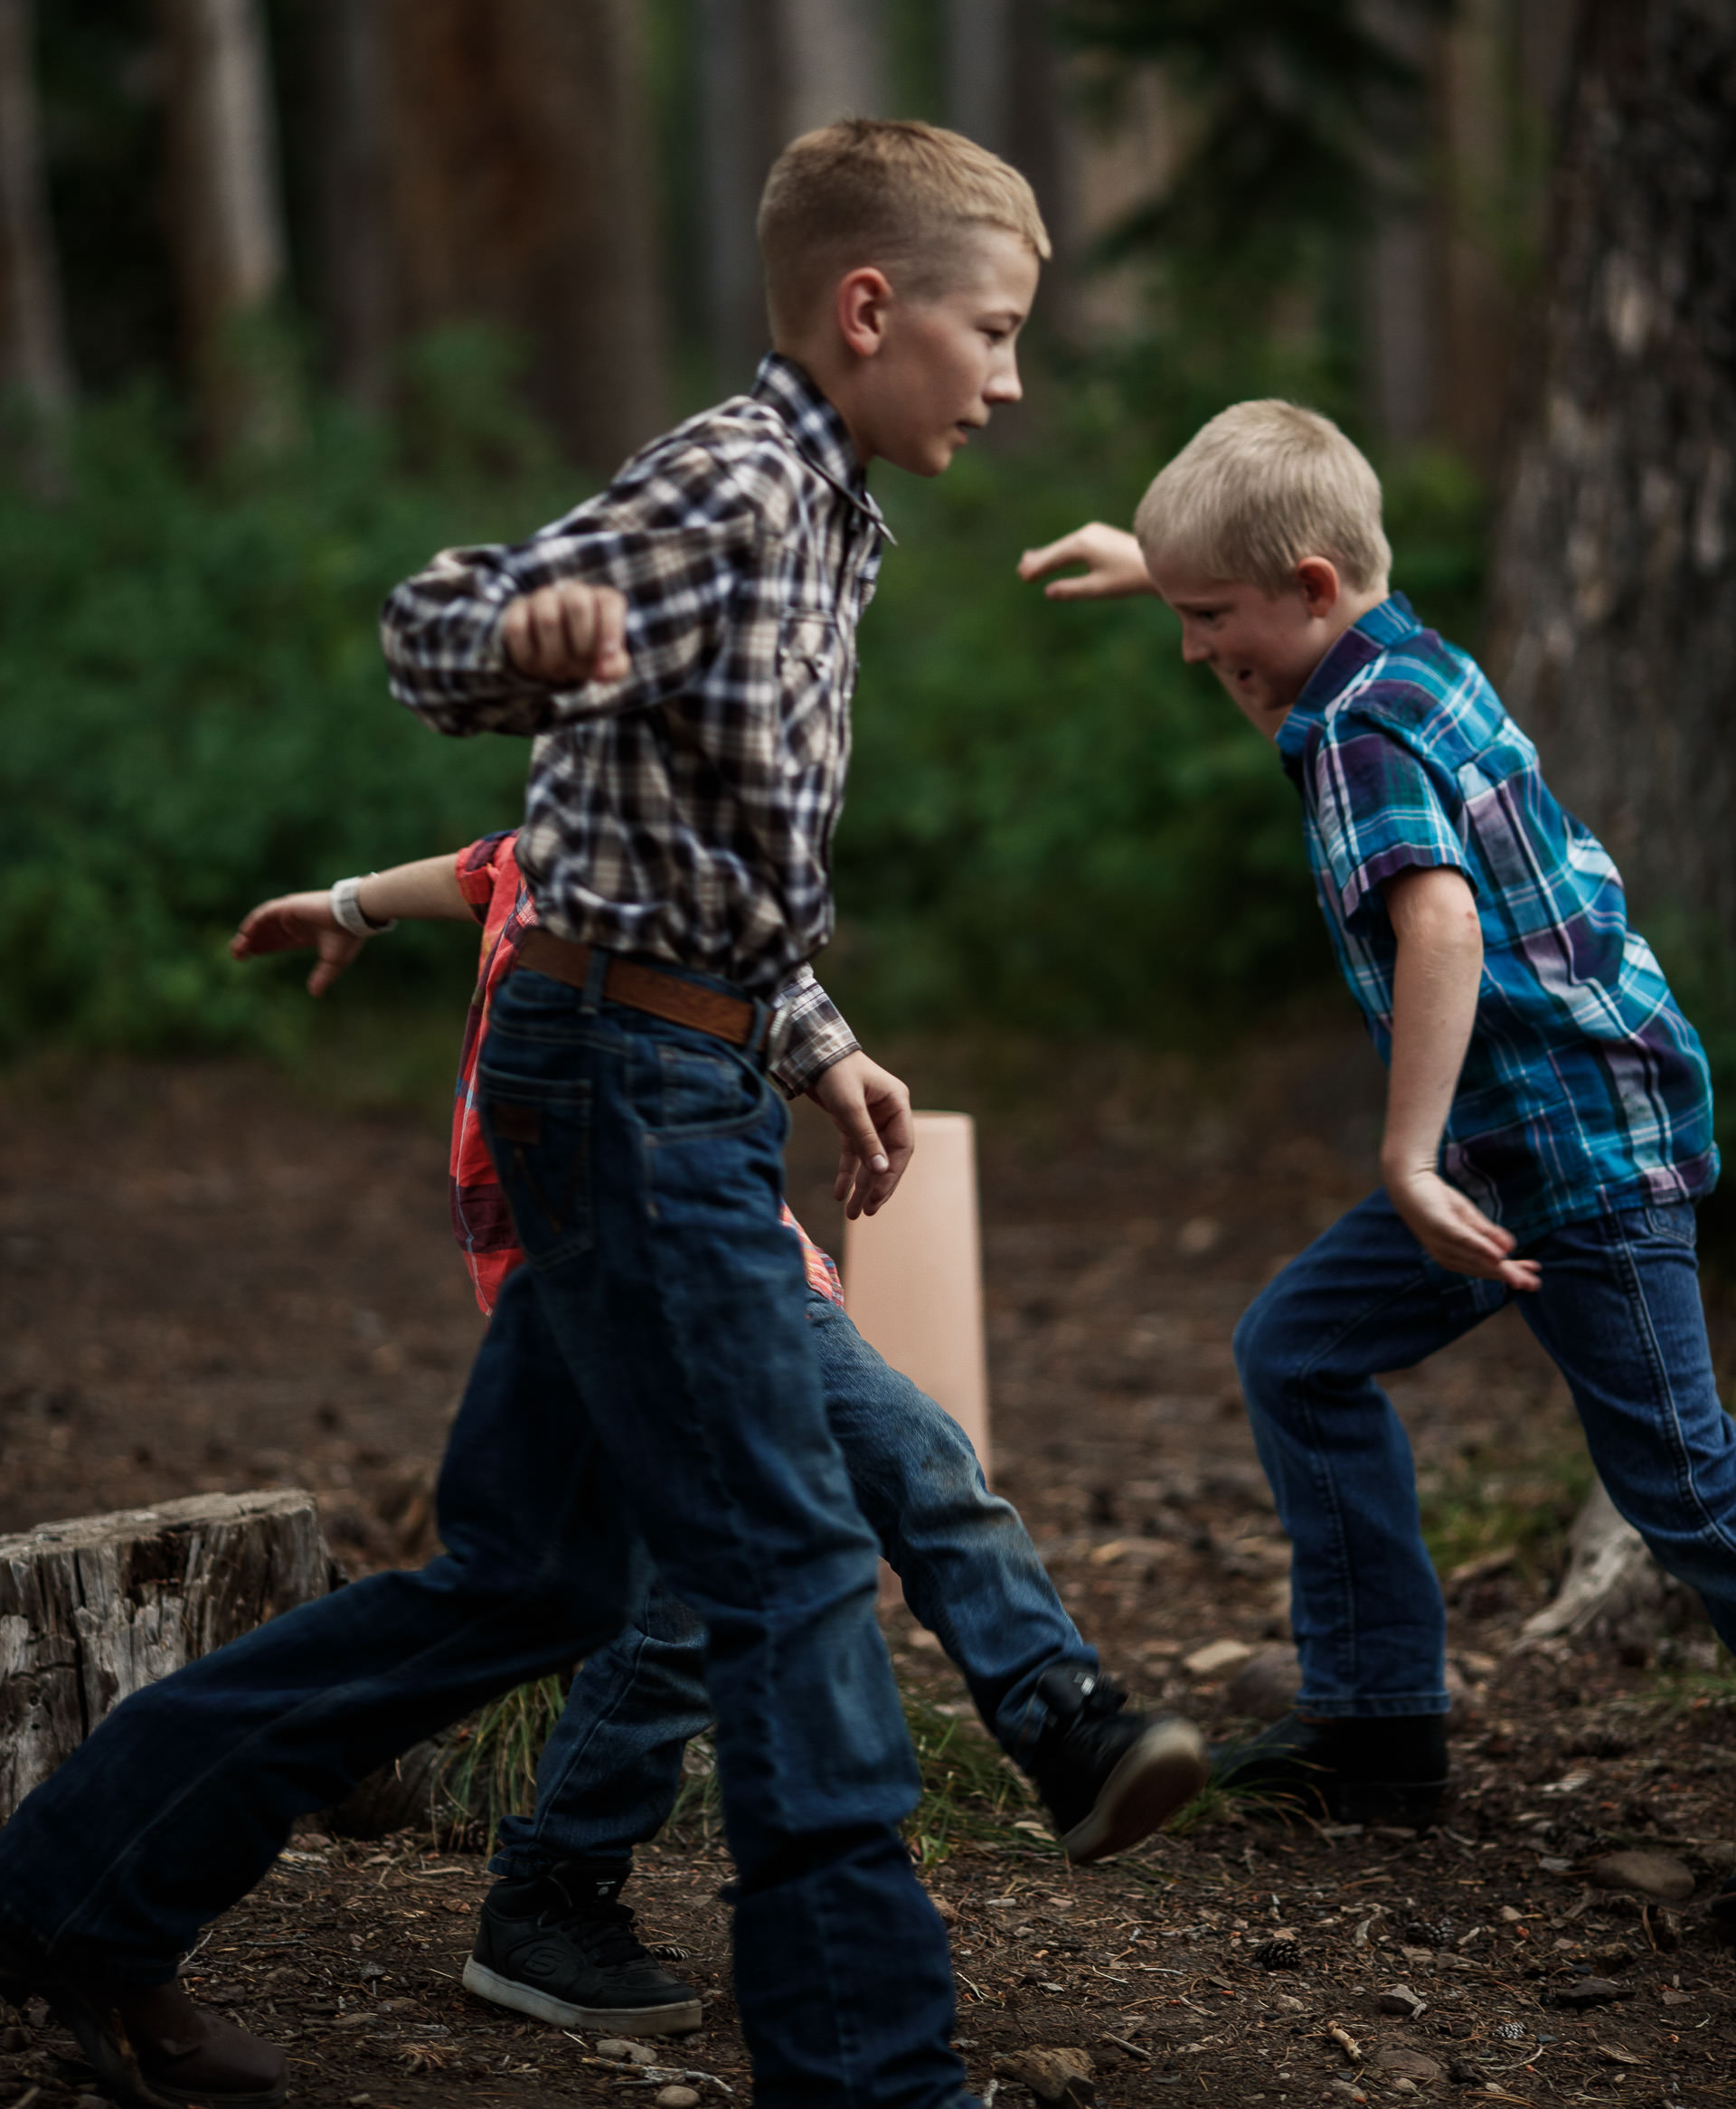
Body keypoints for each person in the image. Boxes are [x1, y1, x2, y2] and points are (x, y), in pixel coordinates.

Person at [0, 118, 1064, 2109]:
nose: (1009, 379)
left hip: (669, 1063)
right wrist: (514, 632)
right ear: (869, 307)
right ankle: (875, 2072)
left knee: (528, 1581)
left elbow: (675, 849)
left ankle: (74, 1883)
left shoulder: (833, 520)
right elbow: (434, 625)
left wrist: (814, 1030)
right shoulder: (734, 478)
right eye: (991, 332)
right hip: (622, 1092)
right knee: (792, 1562)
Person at [231, 830, 1207, 2035]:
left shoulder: (653, 815)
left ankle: (551, 1898)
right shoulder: (612, 822)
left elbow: (491, 873)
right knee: (878, 1469)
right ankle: (1055, 1724)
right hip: (640, 1251)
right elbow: (526, 882)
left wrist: (348, 908)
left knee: (694, 1593)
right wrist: (351, 906)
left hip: (715, 1247)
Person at [1017, 399, 1731, 1829]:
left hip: (1578, 1151)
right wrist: (1162, 564)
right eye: (1181, 612)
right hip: (1520, 1145)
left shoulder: (1353, 730)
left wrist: (1403, 1154)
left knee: (1689, 1491)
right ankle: (1379, 1727)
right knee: (1299, 1351)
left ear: (1313, 590)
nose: (1194, 648)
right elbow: (1264, 583)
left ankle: (1379, 1719)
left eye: (1210, 615)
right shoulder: (1406, 657)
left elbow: (1444, 933)